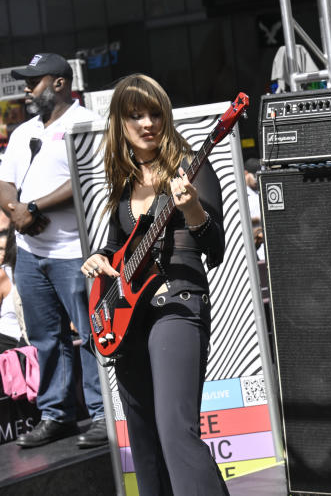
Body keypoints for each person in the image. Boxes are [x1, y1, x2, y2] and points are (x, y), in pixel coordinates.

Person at [82, 74, 229, 495]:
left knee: (174, 431)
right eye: (135, 115)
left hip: (177, 304)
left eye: (154, 113)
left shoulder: (190, 167)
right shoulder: (125, 183)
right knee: (143, 440)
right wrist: (97, 259)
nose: (147, 123)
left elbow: (215, 246)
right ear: (120, 124)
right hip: (128, 320)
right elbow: (116, 249)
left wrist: (194, 210)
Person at [0, 53, 106, 448]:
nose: (28, 88)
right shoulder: (23, 131)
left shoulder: (88, 125)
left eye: (35, 81)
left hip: (75, 254)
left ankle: (101, 414)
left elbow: (90, 180)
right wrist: (19, 212)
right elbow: (5, 181)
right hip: (29, 253)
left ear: (60, 83)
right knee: (46, 338)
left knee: (93, 336)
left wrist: (36, 207)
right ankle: (56, 414)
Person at [243, 157, 264, 260]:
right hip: (253, 251)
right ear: (246, 173)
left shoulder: (261, 192)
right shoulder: (241, 196)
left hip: (264, 249)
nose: (256, 179)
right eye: (254, 175)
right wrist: (256, 220)